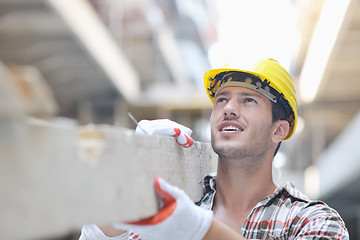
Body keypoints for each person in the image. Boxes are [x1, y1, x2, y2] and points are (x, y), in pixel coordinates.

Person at [80, 58, 349, 239]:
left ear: (278, 130)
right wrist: (134, 169)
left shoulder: (310, 220)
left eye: (248, 100)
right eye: (222, 99)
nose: (229, 108)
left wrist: (199, 229)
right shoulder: (181, 201)